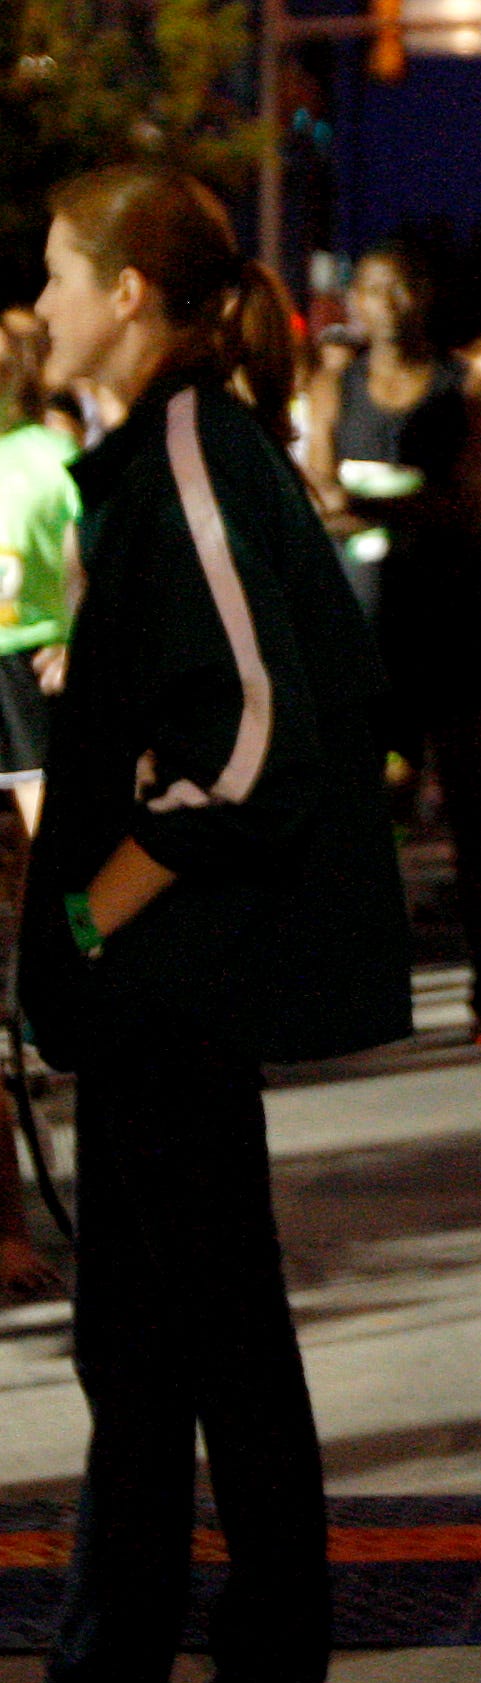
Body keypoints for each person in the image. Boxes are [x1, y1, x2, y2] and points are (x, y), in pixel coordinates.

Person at [0, 164, 411, 1683]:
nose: (40, 296)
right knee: (227, 1336)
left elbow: (259, 737)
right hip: (187, 988)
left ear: (133, 296)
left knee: (142, 1351)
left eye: (58, 265)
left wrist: (94, 912)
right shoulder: (180, 445)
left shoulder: (180, 447)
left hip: (173, 984)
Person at [307, 243, 481, 1051]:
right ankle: (353, 978)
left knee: (474, 810)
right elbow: (321, 495)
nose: (388, 302)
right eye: (373, 288)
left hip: (453, 621)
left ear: (424, 295)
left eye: (403, 286)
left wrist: (368, 504)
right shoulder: (334, 384)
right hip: (367, 626)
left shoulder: (468, 385)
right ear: (354, 300)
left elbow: (471, 502)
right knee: (362, 809)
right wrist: (395, 503)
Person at [0, 310, 76, 1305]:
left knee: (58, 868)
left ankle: (69, 998)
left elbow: (97, 548)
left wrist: (79, 632)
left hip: (28, 679)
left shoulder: (46, 452)